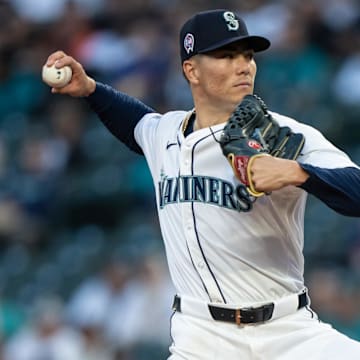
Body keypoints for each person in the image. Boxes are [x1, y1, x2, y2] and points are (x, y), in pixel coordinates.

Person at [43, 9, 360, 360]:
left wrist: (299, 173)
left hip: (288, 332)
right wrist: (90, 89)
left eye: (248, 55)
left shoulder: (284, 136)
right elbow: (134, 122)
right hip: (201, 340)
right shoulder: (165, 132)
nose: (244, 66)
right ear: (191, 70)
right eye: (226, 56)